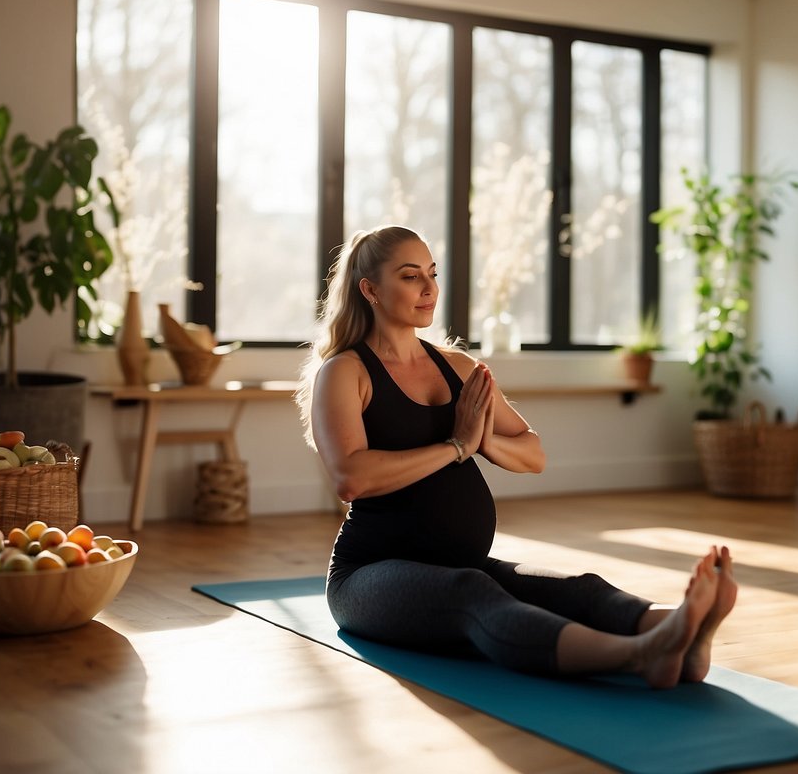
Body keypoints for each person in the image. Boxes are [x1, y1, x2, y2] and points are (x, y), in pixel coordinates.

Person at [296, 225, 737, 687]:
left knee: (577, 588)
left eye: (432, 273)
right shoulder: (345, 372)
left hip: (461, 564)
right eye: (410, 277)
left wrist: (484, 442)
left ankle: (679, 628)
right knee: (474, 595)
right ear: (370, 289)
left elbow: (533, 452)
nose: (429, 289)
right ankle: (638, 653)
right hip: (366, 577)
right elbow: (351, 477)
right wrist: (456, 447)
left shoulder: (458, 368)